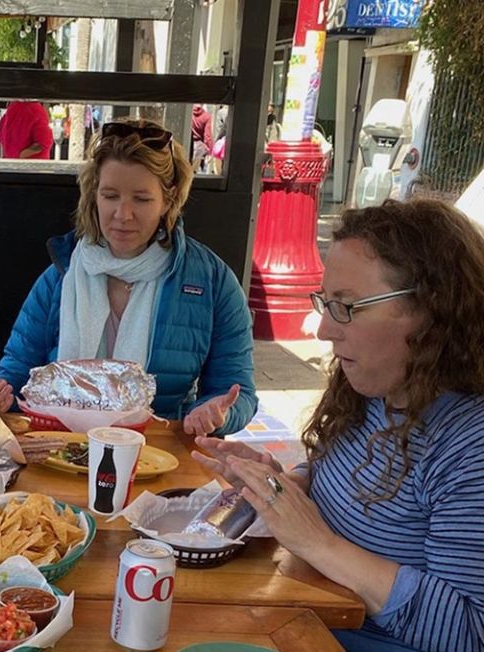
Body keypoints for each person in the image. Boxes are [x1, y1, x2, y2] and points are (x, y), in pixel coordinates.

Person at [195, 199, 484, 651]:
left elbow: (471, 631)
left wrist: (320, 543)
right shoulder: (374, 392)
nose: (324, 330)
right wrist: (282, 485)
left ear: (433, 311)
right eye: (326, 303)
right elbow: (341, 476)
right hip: (295, 618)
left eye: (347, 306)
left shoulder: (469, 445)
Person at [0, 118, 257, 436]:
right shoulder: (59, 277)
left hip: (157, 455)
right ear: (93, 195)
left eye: (141, 199)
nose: (123, 215)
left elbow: (238, 392)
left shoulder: (212, 282)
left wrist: (216, 413)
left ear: (169, 198)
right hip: (60, 451)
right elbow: (15, 374)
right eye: (110, 196)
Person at [190, 104, 213, 172]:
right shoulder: (206, 116)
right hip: (199, 148)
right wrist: (210, 151)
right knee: (194, 172)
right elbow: (207, 136)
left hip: (187, 143)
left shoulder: (188, 113)